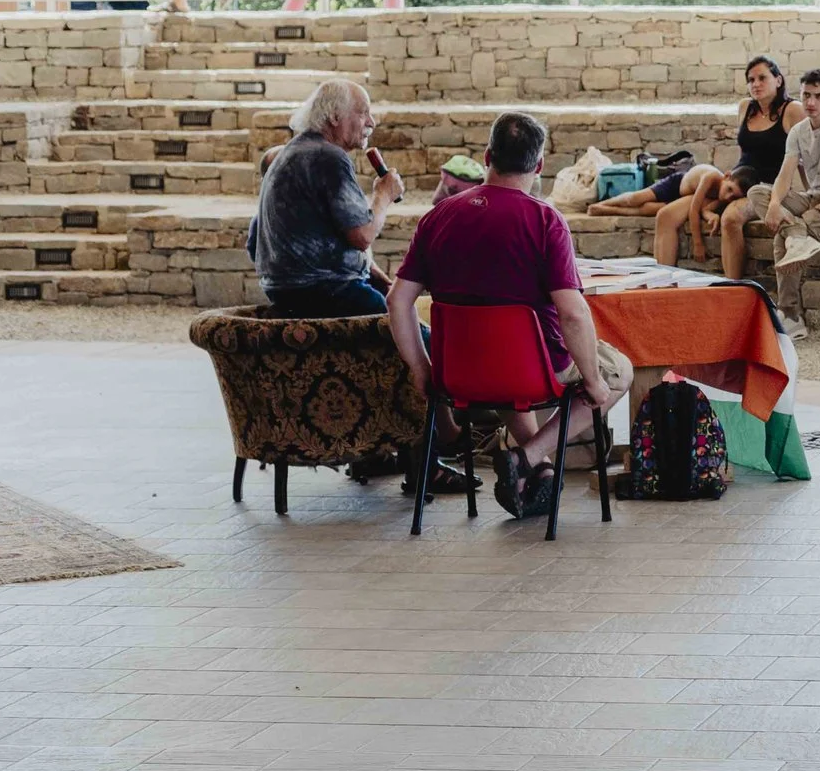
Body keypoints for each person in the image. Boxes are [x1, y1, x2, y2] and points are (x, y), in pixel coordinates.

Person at [387, 112, 634, 520]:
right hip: (530, 370)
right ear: (538, 166)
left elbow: (398, 301)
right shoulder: (544, 220)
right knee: (617, 372)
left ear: (487, 156)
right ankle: (531, 455)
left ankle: (535, 471)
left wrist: (421, 368)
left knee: (503, 367)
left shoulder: (437, 218)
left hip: (460, 372)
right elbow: (572, 314)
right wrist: (592, 380)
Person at [247, 78, 402, 317]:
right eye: (363, 113)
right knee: (420, 339)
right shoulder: (328, 157)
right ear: (335, 117)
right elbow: (362, 236)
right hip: (324, 289)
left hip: (287, 290)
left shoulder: (294, 151)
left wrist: (381, 281)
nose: (371, 122)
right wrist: (384, 194)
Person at [739, 69, 820, 334]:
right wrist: (774, 203)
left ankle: (790, 315)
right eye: (806, 95)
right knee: (756, 193)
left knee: (782, 237)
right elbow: (785, 173)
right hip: (813, 198)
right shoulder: (798, 131)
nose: (811, 102)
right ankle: (797, 239)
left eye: (818, 96)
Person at [661, 56, 802, 263]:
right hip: (737, 182)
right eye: (751, 80)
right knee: (666, 215)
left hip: (765, 188)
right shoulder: (746, 106)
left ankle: (734, 288)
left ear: (778, 81)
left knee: (730, 218)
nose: (756, 84)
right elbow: (747, 152)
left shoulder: (792, 110)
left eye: (762, 78)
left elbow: (803, 157)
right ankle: (662, 287)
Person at [587, 163, 727, 266]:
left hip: (682, 198)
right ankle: (604, 204)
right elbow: (694, 210)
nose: (728, 196)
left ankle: (608, 210)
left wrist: (711, 215)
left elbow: (705, 210)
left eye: (733, 195)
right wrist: (698, 244)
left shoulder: (723, 196)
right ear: (727, 176)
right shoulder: (711, 177)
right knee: (636, 199)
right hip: (677, 184)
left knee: (647, 209)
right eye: (729, 189)